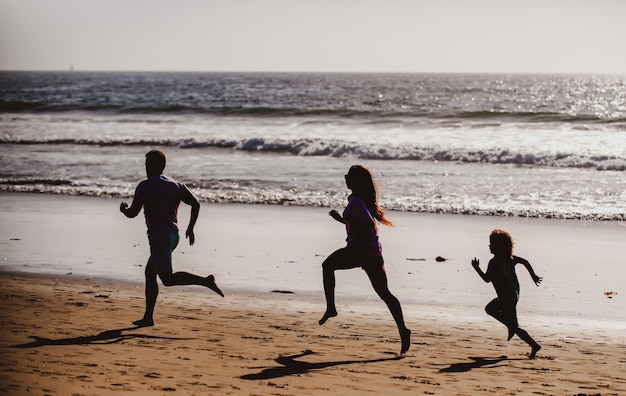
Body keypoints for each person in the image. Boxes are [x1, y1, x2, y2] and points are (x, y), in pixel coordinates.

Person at [120, 150, 223, 327]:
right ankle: (148, 318)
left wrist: (123, 209)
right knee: (150, 272)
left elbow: (132, 213)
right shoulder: (176, 185)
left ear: (150, 166)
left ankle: (205, 280)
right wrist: (190, 228)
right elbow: (195, 204)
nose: (145, 168)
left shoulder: (144, 186)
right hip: (173, 236)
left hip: (159, 236)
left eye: (146, 165)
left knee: (167, 279)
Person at [319, 165, 411, 354]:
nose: (345, 179)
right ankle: (403, 329)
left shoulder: (356, 202)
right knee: (385, 293)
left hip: (359, 251)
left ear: (355, 181)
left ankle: (331, 308)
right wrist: (341, 220)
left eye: (348, 176)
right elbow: (360, 222)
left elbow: (368, 223)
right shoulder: (360, 201)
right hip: (372, 253)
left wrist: (356, 243)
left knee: (327, 266)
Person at [471, 229, 542, 359]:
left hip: (505, 296)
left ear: (497, 246)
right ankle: (511, 326)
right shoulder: (510, 258)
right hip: (514, 294)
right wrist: (534, 276)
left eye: (491, 244)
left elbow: (487, 279)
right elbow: (525, 262)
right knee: (497, 312)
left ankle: (533, 344)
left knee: (493, 311)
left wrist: (477, 268)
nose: (489, 246)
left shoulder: (494, 262)